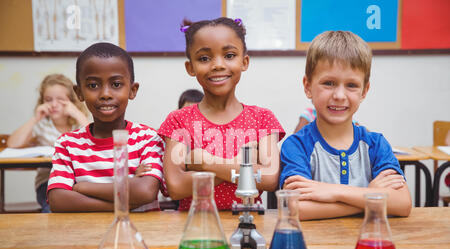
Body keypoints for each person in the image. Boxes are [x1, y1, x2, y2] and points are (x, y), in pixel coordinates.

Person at [279, 31, 412, 220]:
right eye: (329, 83)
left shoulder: (376, 144)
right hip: (316, 248)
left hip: (368, 245)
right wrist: (370, 197)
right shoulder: (296, 145)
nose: (340, 95)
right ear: (308, 86)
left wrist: (334, 192)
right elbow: (296, 209)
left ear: (364, 91)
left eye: (351, 85)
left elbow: (402, 204)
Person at [158, 17, 285, 211]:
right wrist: (243, 164)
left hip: (250, 225)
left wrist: (204, 162)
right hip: (195, 229)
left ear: (244, 61)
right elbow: (176, 187)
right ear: (190, 67)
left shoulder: (262, 119)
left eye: (229, 55)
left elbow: (268, 179)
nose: (218, 65)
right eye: (204, 58)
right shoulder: (178, 120)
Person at [47, 42, 166, 212]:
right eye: (93, 85)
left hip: (141, 234)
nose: (105, 94)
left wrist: (82, 187)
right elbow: (58, 200)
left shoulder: (147, 138)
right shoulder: (68, 143)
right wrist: (126, 197)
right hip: (85, 235)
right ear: (79, 92)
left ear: (132, 90)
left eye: (116, 84)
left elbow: (145, 191)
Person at [7, 74, 90, 213]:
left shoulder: (78, 125)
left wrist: (76, 112)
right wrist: (35, 118)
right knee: (54, 208)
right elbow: (13, 144)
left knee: (83, 207)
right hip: (48, 183)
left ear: (71, 101)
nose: (54, 104)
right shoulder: (42, 126)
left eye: (60, 100)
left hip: (78, 182)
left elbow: (94, 141)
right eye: (48, 100)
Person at [293, 106, 359, 133]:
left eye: (351, 85)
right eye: (328, 84)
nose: (339, 96)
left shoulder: (350, 122)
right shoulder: (310, 114)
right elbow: (295, 139)